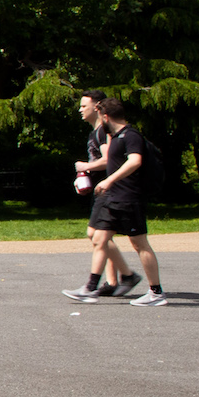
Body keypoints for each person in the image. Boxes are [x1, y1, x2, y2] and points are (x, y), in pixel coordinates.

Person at [63, 99, 165, 306]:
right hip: (113, 197)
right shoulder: (116, 137)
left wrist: (109, 180)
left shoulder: (131, 135)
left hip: (129, 198)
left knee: (139, 244)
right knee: (99, 238)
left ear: (106, 116)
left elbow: (135, 161)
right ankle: (90, 288)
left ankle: (156, 293)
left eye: (101, 117)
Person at [72, 92, 136, 298]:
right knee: (102, 235)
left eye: (84, 105)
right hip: (102, 189)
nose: (80, 109)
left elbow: (108, 160)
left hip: (108, 190)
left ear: (97, 107)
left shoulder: (102, 132)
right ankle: (114, 280)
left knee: (97, 234)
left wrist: (85, 166)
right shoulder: (97, 132)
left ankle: (120, 278)